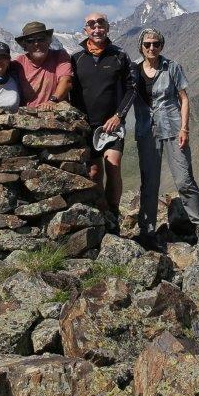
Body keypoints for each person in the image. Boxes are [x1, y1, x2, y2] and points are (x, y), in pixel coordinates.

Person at [133, 28, 199, 249]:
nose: (151, 48)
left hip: (173, 128)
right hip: (146, 132)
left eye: (156, 44)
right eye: (147, 44)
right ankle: (147, 231)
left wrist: (184, 128)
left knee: (184, 179)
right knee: (149, 184)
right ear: (141, 46)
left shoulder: (172, 67)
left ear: (162, 46)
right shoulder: (133, 70)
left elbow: (184, 98)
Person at [69, 12, 137, 232]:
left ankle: (114, 214)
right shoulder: (76, 58)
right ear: (85, 30)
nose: (96, 28)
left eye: (100, 24)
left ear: (107, 27)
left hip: (113, 124)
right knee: (94, 172)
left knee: (113, 166)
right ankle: (100, 211)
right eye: (91, 25)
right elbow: (71, 90)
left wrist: (119, 116)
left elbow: (132, 88)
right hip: (86, 125)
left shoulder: (120, 56)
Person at [12, 21, 72, 107]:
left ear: (49, 41)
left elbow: (66, 81)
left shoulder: (59, 56)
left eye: (41, 39)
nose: (36, 44)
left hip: (55, 113)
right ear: (24, 46)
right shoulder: (18, 63)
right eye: (30, 41)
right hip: (28, 114)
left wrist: (53, 101)